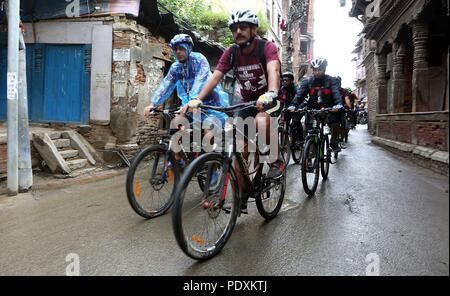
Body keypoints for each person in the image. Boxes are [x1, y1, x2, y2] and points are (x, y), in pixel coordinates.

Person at [190, 9, 282, 213]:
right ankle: (241, 195)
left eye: (243, 27)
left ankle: (276, 161)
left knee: (261, 121)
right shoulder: (231, 52)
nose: (238, 31)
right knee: (239, 150)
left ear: (253, 29)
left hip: (270, 100)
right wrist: (198, 99)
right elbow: (215, 77)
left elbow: (273, 70)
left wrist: (272, 92)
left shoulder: (267, 47)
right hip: (246, 102)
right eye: (234, 28)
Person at [144, 33, 229, 127]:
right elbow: (166, 85)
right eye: (175, 49)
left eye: (181, 48)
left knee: (208, 129)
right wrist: (153, 104)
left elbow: (200, 81)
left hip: (210, 104)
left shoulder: (199, 60)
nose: (178, 52)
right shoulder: (175, 67)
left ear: (188, 48)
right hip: (189, 105)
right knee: (177, 124)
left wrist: (193, 100)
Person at [289, 58, 344, 152]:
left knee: (335, 121)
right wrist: (294, 105)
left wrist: (338, 104)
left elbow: (336, 93)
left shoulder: (331, 80)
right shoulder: (307, 81)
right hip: (312, 109)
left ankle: (334, 143)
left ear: (324, 69)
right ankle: (310, 156)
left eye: (319, 70)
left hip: (329, 109)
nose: (317, 72)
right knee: (310, 130)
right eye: (315, 70)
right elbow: (299, 95)